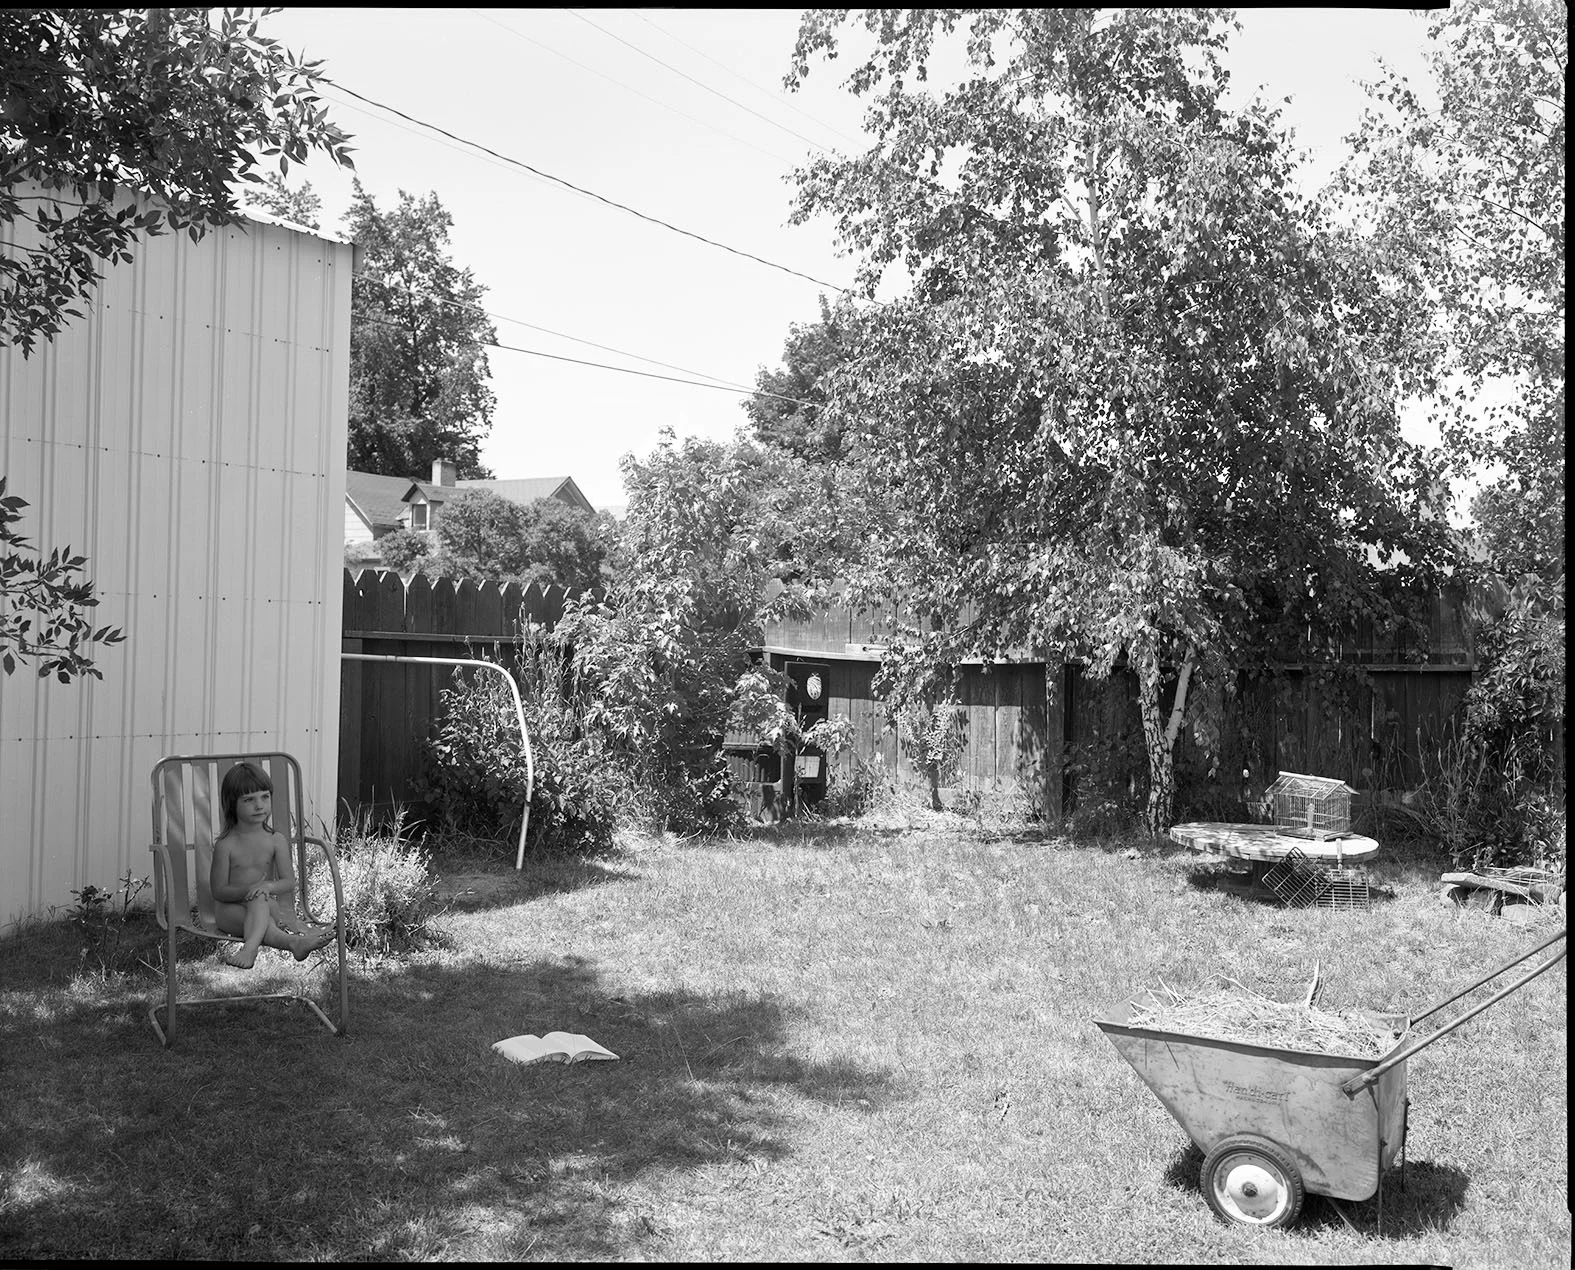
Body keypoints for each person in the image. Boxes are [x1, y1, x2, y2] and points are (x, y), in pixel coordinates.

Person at [210, 761, 334, 968]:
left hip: (268, 907)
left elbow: (288, 882)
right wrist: (250, 892)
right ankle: (291, 943)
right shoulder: (226, 845)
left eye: (265, 797)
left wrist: (266, 887)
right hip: (229, 912)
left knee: (261, 902)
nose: (259, 806)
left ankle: (252, 948)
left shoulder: (276, 840)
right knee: (259, 903)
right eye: (249, 800)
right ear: (232, 803)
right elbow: (218, 891)